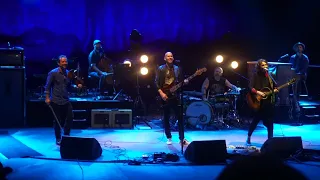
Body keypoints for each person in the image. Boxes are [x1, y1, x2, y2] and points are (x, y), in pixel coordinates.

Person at [45, 55, 82, 145]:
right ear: (58, 63)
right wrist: (47, 97)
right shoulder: (53, 73)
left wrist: (77, 87)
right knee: (57, 121)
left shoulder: (68, 73)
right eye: (63, 62)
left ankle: (66, 136)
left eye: (66, 61)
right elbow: (47, 86)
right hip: (56, 100)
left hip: (65, 100)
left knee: (70, 117)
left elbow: (69, 86)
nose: (65, 63)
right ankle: (58, 138)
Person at [155, 52, 189, 145]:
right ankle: (169, 137)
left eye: (171, 56)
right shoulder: (160, 69)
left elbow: (180, 81)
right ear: (164, 58)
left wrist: (184, 82)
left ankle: (181, 139)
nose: (170, 57)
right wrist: (161, 93)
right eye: (168, 56)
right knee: (166, 117)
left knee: (180, 117)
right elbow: (156, 82)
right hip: (165, 95)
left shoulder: (177, 69)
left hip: (176, 96)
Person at [246, 59, 278, 145]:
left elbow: (275, 87)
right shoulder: (255, 75)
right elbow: (250, 87)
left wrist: (275, 90)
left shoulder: (269, 76)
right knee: (256, 120)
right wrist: (258, 92)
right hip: (258, 101)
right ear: (259, 66)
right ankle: (249, 136)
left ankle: (270, 141)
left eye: (266, 65)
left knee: (270, 121)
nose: (265, 67)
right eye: (263, 65)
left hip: (268, 101)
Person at [289, 42, 309, 112]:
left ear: (302, 49)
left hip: (302, 74)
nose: (299, 48)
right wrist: (293, 72)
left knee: (296, 79)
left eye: (300, 47)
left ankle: (295, 96)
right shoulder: (292, 57)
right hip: (294, 74)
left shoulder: (305, 57)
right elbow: (291, 66)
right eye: (298, 47)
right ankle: (293, 97)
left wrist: (299, 73)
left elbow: (305, 67)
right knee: (292, 78)